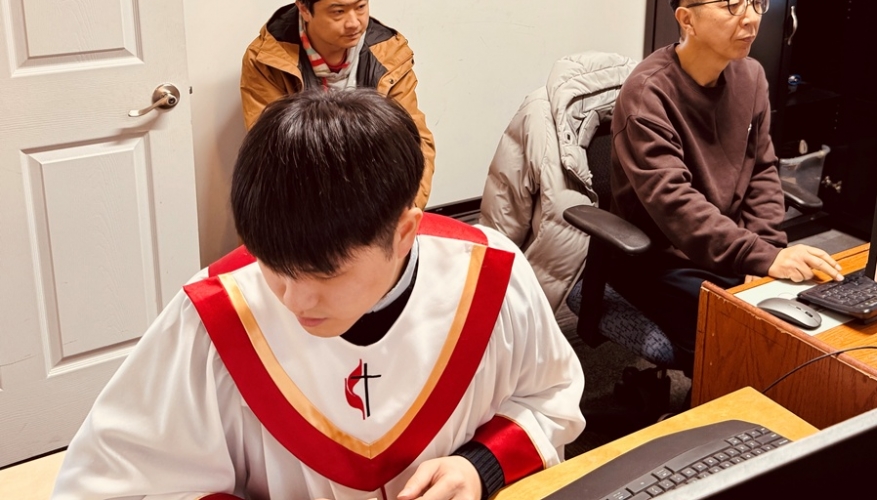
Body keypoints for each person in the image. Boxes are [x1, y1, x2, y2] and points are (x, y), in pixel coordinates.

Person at [52, 88, 585, 500]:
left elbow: (550, 396)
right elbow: (117, 482)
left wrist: (480, 465)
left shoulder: (490, 276)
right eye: (274, 267)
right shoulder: (215, 314)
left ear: (404, 233)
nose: (293, 301)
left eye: (325, 275)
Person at [608, 0, 844, 378]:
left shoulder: (750, 76)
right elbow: (676, 208)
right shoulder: (647, 95)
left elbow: (763, 172)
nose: (750, 17)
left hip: (728, 245)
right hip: (662, 258)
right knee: (744, 343)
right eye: (732, 4)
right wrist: (757, 258)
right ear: (687, 19)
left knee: (814, 316)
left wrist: (767, 253)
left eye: (755, 1)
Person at [241, 0, 436, 208]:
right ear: (304, 9)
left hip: (378, 200)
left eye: (361, 6)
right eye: (338, 11)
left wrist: (403, 213)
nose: (354, 22)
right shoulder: (267, 60)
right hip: (306, 203)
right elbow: (273, 155)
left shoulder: (390, 55)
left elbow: (414, 142)